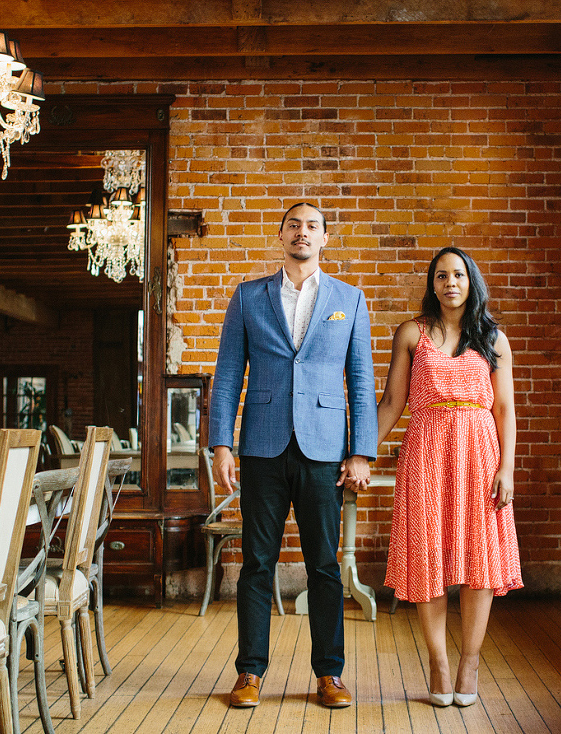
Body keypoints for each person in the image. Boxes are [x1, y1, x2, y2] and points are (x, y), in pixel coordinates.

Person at [209, 202, 377, 710]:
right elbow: (227, 377)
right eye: (293, 225)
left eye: (312, 226)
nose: (302, 233)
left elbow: (362, 382)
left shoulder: (350, 299)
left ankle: (330, 675)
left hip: (325, 449)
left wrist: (361, 452)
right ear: (280, 235)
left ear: (325, 238)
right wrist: (221, 444)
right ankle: (249, 673)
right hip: (261, 446)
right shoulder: (247, 297)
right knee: (257, 564)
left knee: (324, 565)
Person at [379, 246, 523, 708]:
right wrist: (357, 453)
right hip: (425, 455)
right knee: (427, 561)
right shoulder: (411, 334)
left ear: (470, 280)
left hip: (479, 455)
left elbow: (504, 409)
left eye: (458, 274)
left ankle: (470, 661)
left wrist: (507, 468)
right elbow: (392, 403)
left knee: (478, 562)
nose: (449, 283)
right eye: (441, 276)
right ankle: (439, 661)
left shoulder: (493, 339)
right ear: (432, 284)